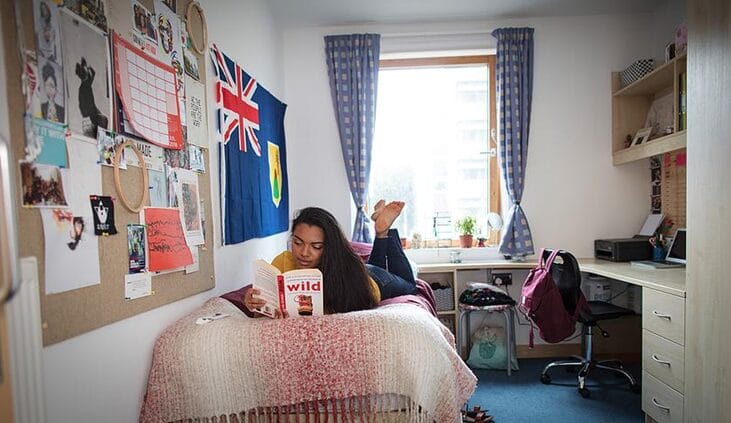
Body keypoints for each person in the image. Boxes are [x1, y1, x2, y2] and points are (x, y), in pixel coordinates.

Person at [242, 201, 418, 317]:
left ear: (329, 247)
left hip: (371, 280)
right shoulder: (282, 262)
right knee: (375, 262)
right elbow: (266, 309)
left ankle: (384, 232)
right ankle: (381, 230)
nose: (304, 253)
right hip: (361, 269)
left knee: (410, 285)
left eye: (316, 247)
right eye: (297, 242)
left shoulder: (348, 275)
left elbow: (362, 305)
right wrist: (255, 304)